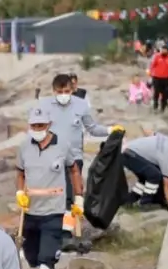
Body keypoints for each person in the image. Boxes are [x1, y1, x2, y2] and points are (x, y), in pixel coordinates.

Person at [17, 107, 82, 269]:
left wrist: (78, 197)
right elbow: (20, 171)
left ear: (49, 125)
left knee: (47, 257)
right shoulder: (24, 147)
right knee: (33, 258)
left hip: (54, 211)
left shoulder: (62, 145)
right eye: (33, 126)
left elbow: (73, 169)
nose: (37, 129)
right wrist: (19, 193)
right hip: (30, 212)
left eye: (40, 126)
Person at [42, 74, 119, 249]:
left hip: (74, 158)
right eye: (60, 91)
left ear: (73, 90)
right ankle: (54, 232)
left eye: (67, 91)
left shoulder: (81, 105)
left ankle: (66, 234)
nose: (63, 94)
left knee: (70, 196)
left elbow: (92, 128)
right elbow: (37, 129)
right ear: (54, 91)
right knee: (55, 196)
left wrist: (110, 130)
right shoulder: (45, 106)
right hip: (51, 157)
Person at [121, 130, 168, 209]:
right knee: (155, 175)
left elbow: (151, 132)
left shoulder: (166, 140)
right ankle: (145, 203)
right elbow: (167, 184)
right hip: (130, 155)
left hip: (129, 151)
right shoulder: (165, 157)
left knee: (145, 177)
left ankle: (130, 200)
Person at [148, 45, 168, 111]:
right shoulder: (157, 56)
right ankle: (155, 106)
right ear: (161, 50)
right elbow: (152, 66)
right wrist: (150, 76)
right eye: (163, 50)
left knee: (165, 94)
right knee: (156, 92)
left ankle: (163, 107)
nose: (164, 51)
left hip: (166, 79)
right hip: (157, 78)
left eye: (165, 50)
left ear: (167, 51)